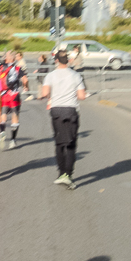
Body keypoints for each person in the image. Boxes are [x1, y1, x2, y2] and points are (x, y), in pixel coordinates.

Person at [39, 50, 87, 189]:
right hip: (71, 110)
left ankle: (61, 173)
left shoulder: (50, 75)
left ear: (56, 60)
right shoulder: (76, 75)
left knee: (59, 143)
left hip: (57, 110)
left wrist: (50, 95)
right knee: (71, 144)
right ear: (69, 60)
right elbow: (82, 96)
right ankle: (68, 175)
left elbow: (45, 93)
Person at [0, 52, 26, 147]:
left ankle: (2, 131)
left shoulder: (1, 67)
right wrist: (25, 87)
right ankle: (13, 140)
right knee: (15, 115)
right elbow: (25, 79)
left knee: (4, 113)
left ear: (6, 59)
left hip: (4, 94)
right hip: (14, 95)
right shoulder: (18, 68)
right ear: (14, 59)